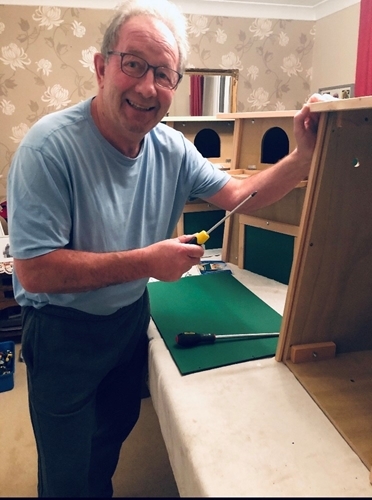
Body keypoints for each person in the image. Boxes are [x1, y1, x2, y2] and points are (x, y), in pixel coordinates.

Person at [7, 0, 324, 496]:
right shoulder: (49, 149)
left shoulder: (172, 148)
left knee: (111, 438)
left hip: (129, 318)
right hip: (62, 332)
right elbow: (35, 272)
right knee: (65, 467)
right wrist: (148, 262)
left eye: (164, 74)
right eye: (132, 64)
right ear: (101, 66)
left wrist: (303, 156)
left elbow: (239, 196)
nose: (146, 86)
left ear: (174, 88)